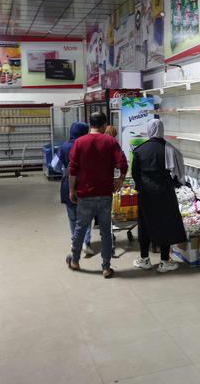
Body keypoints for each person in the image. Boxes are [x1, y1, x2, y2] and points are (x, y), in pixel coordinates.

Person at [68, 111, 128, 278]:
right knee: (105, 231)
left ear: (90, 124)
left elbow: (73, 169)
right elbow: (123, 163)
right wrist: (120, 180)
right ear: (104, 125)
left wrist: (72, 190)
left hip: (85, 194)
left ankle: (74, 260)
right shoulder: (110, 141)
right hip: (104, 194)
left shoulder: (79, 142)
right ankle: (106, 267)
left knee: (80, 228)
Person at [131, 119, 187, 273]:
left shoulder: (139, 150)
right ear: (162, 129)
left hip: (146, 193)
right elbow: (177, 175)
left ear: (149, 130)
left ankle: (144, 259)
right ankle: (164, 261)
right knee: (165, 224)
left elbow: (135, 174)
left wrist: (143, 184)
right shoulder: (169, 149)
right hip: (165, 192)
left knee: (144, 225)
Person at [58, 122, 94, 256]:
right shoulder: (89, 146)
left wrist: (65, 168)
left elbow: (55, 166)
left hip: (69, 184)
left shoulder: (64, 147)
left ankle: (75, 241)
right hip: (86, 184)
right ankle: (86, 242)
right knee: (87, 216)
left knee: (72, 216)